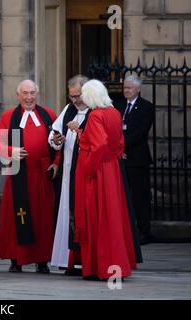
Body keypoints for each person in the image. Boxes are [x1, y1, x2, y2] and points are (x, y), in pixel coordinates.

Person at [0, 79, 59, 274]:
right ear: (18, 95)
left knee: (43, 218)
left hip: (42, 174)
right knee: (16, 218)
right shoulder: (7, 117)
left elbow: (59, 141)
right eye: (25, 93)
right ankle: (17, 259)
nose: (29, 97)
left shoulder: (49, 114)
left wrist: (56, 162)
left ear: (37, 94)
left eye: (32, 93)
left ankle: (42, 260)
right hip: (18, 175)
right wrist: (10, 151)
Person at [74, 79, 137, 280]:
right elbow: (119, 143)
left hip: (98, 172)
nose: (82, 97)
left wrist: (88, 169)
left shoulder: (95, 116)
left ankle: (97, 266)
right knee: (113, 218)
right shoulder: (114, 112)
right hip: (111, 170)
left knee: (96, 218)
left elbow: (99, 145)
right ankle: (114, 264)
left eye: (84, 94)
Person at [48, 75, 90, 276]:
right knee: (67, 211)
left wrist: (80, 131)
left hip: (85, 172)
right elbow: (53, 137)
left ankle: (84, 259)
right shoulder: (69, 110)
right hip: (68, 170)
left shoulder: (96, 111)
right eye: (72, 96)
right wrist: (57, 139)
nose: (76, 100)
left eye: (78, 95)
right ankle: (68, 259)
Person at [114, 75, 155, 245]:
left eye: (130, 88)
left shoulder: (146, 107)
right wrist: (118, 148)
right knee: (122, 197)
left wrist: (121, 146)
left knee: (140, 197)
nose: (126, 90)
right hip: (120, 158)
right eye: (125, 87)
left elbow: (141, 132)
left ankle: (144, 231)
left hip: (137, 159)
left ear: (138, 89)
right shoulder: (118, 105)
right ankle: (125, 231)